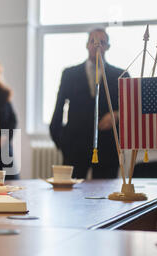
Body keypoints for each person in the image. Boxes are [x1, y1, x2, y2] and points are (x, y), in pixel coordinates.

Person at [49, 28, 128, 179]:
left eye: (102, 42)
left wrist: (117, 115)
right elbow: (58, 110)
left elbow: (131, 109)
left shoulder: (121, 75)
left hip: (108, 147)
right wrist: (62, 143)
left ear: (108, 47)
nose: (97, 46)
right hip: (75, 147)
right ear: (87, 45)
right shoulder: (69, 74)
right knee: (72, 197)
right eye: (93, 41)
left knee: (106, 197)